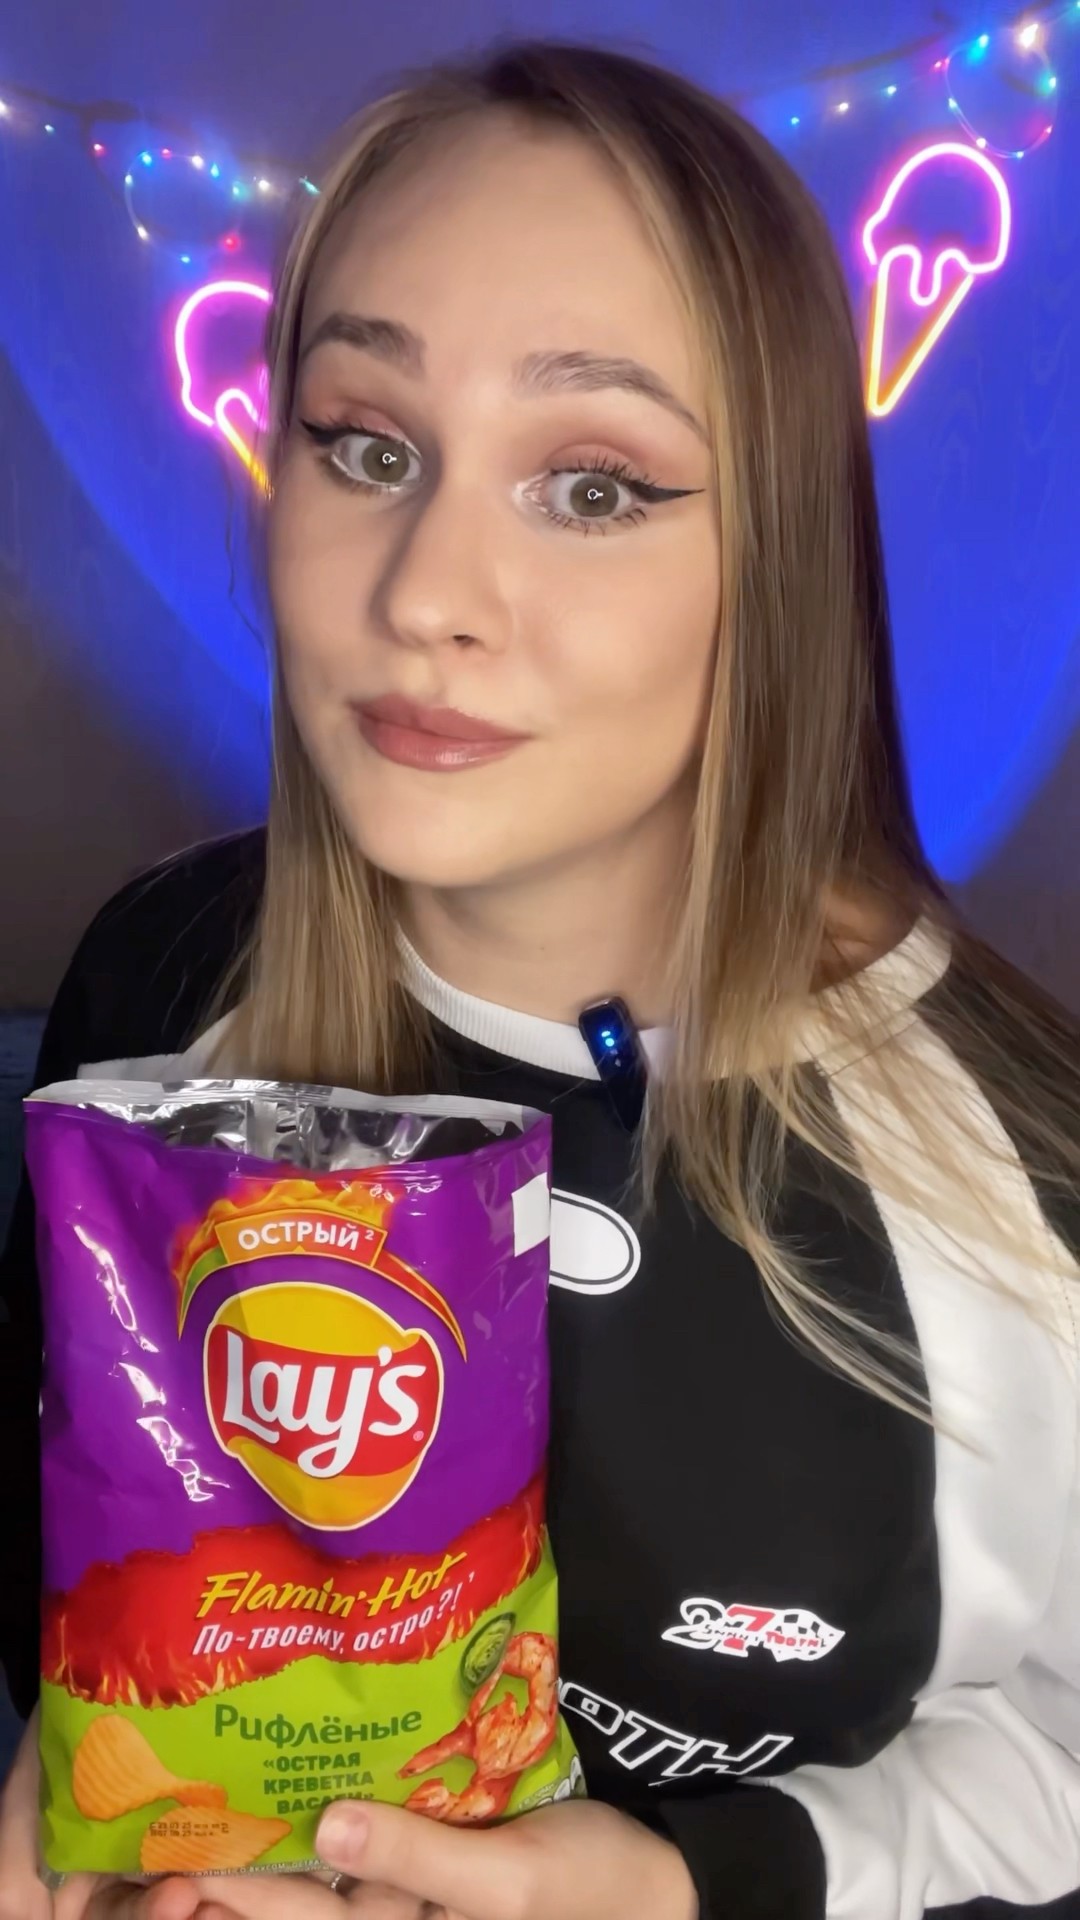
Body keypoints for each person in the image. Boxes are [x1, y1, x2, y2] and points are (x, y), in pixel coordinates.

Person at [1, 35, 1078, 1920]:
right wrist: (79, 1789)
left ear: (780, 556)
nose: (424, 592)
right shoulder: (164, 976)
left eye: (592, 484)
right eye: (368, 445)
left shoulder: (1024, 1190)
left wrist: (689, 1887)